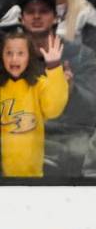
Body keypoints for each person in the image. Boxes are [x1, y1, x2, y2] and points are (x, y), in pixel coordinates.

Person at [20, 0, 96, 177]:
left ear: (56, 18)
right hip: (20, 131)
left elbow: (92, 111)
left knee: (80, 150)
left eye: (43, 11)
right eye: (30, 12)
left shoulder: (81, 54)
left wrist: (72, 90)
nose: (36, 16)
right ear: (21, 19)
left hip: (67, 134)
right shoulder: (10, 55)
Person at [0, 30, 67, 177]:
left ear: (29, 56)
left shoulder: (39, 85)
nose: (14, 58)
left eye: (20, 53)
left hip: (32, 178)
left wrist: (54, 67)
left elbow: (53, 109)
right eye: (9, 53)